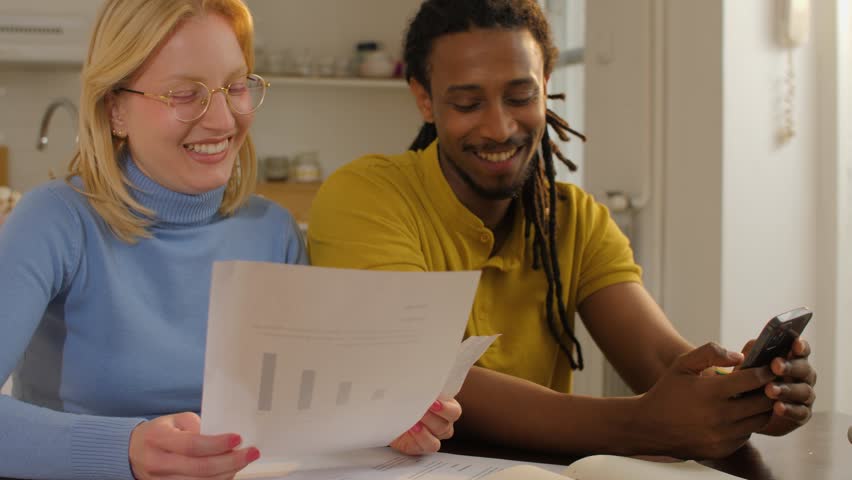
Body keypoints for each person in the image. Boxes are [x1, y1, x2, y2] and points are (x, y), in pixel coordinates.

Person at [308, 0, 817, 460]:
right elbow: (420, 375)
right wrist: (643, 424)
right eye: (467, 103)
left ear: (547, 83)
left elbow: (660, 358)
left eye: (520, 95)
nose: (499, 127)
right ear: (424, 99)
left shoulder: (576, 220)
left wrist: (744, 395)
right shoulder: (366, 197)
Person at [0, 1, 458, 479]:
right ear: (115, 108)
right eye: (185, 94)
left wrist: (381, 421)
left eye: (235, 87)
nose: (222, 120)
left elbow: (300, 411)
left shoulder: (272, 231)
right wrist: (127, 449)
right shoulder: (55, 221)